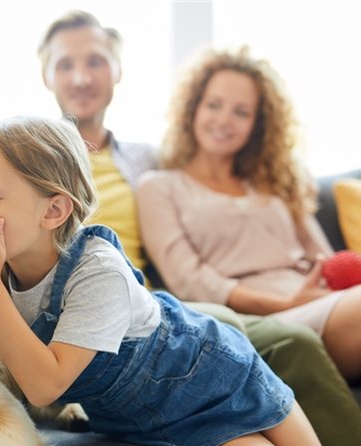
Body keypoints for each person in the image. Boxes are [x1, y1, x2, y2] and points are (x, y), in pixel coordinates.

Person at [37, 10, 361, 446]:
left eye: (95, 62)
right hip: (138, 313)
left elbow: (325, 260)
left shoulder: (146, 161)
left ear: (117, 72)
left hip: (164, 311)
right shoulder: (33, 162)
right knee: (282, 338)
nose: (80, 78)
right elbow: (193, 279)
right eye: (65, 65)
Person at [0, 115, 321, 446]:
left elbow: (45, 386)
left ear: (53, 210)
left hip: (214, 380)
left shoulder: (97, 271)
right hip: (136, 420)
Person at [136, 47, 361, 383]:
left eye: (241, 112)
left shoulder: (274, 183)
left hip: (323, 302)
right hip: (261, 320)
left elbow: (323, 259)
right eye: (214, 105)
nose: (224, 119)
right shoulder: (159, 187)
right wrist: (284, 302)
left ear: (257, 124)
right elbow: (190, 281)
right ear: (193, 108)